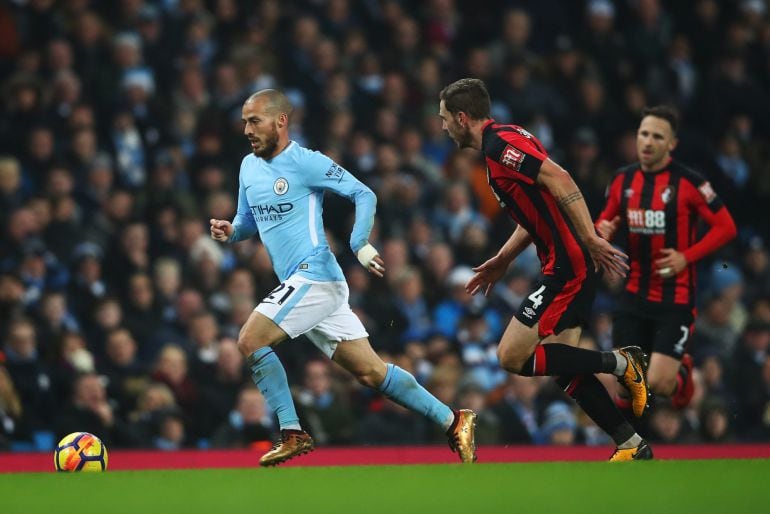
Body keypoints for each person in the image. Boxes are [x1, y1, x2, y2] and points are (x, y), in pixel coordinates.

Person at [210, 89, 476, 467]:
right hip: (300, 285)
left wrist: (359, 242)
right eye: (244, 122)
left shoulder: (306, 162)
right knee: (371, 372)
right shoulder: (247, 167)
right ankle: (454, 421)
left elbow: (362, 193)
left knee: (250, 339)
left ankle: (291, 432)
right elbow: (246, 221)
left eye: (254, 121)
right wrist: (230, 231)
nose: (247, 130)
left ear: (281, 121)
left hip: (315, 276)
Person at [438, 78, 651, 461]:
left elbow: (559, 179)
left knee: (510, 357)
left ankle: (622, 362)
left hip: (568, 265)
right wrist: (503, 259)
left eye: (444, 119)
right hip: (565, 261)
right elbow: (537, 208)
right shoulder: (505, 138)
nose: (443, 127)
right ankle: (631, 444)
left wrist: (588, 236)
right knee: (564, 366)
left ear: (462, 117)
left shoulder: (500, 145)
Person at [596, 105, 737, 409]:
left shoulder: (690, 183)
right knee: (624, 390)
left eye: (657, 136)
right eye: (643, 134)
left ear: (671, 144)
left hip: (675, 299)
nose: (648, 142)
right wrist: (602, 231)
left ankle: (682, 372)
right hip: (633, 294)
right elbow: (604, 224)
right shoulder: (622, 180)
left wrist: (686, 257)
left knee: (659, 384)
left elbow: (726, 227)